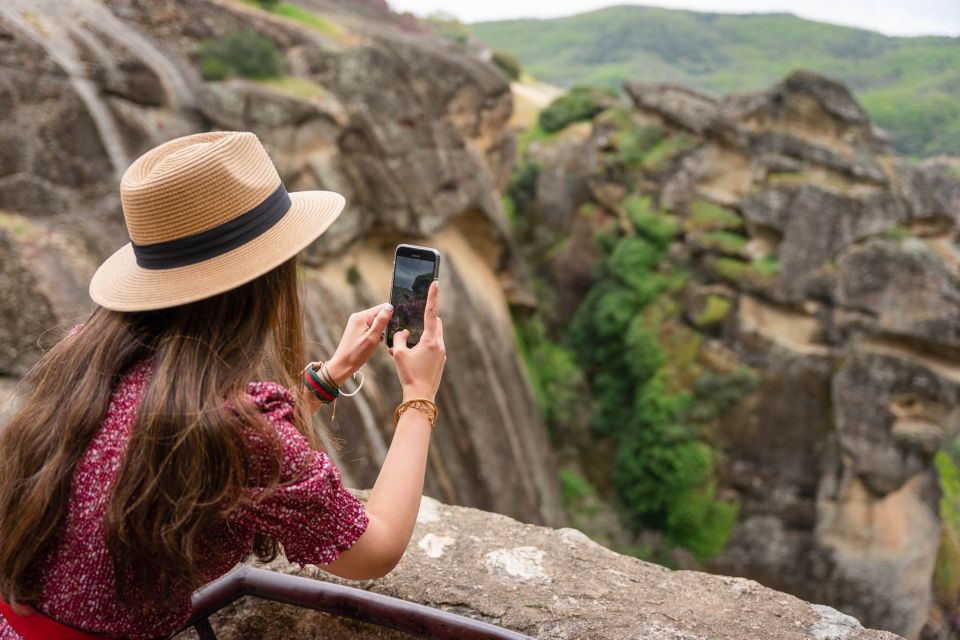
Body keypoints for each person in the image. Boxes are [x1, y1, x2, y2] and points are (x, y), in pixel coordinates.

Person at [0, 131, 446, 639]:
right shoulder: (240, 426)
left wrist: (327, 377)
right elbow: (376, 549)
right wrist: (419, 396)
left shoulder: (89, 356)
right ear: (265, 280)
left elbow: (209, 445)